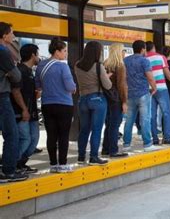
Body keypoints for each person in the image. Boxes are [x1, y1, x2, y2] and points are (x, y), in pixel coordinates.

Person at [35, 37, 76, 173]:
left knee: (51, 135)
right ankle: (62, 164)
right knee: (63, 135)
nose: (66, 53)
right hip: (64, 104)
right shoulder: (63, 66)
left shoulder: (41, 66)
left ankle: (53, 164)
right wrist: (74, 88)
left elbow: (38, 86)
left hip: (47, 104)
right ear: (57, 52)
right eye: (64, 51)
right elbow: (70, 86)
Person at [75, 41, 112, 165]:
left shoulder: (77, 65)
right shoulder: (98, 66)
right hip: (97, 99)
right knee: (96, 129)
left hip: (82, 99)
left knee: (84, 129)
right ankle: (93, 157)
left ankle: (81, 157)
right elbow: (107, 85)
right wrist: (107, 76)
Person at [0, 22, 27, 182]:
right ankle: (8, 171)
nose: (13, 36)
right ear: (4, 36)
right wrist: (9, 74)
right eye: (11, 33)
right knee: (12, 134)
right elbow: (16, 75)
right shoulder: (3, 52)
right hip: (2, 96)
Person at [123, 40, 159, 152]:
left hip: (129, 94)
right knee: (145, 119)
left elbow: (123, 78)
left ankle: (126, 144)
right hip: (143, 93)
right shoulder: (145, 61)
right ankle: (147, 144)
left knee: (129, 120)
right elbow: (150, 77)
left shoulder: (125, 61)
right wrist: (154, 87)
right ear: (143, 49)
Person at [11, 44, 41, 174]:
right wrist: (24, 109)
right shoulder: (20, 71)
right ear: (33, 55)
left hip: (32, 111)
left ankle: (21, 163)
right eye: (38, 54)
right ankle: (11, 164)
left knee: (34, 140)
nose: (39, 57)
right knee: (25, 139)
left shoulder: (29, 72)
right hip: (22, 112)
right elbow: (16, 91)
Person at [145, 41, 170, 145]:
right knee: (166, 112)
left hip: (150, 89)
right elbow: (168, 74)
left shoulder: (144, 59)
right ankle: (167, 138)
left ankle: (155, 139)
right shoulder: (161, 57)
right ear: (154, 47)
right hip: (161, 88)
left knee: (152, 115)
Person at [101, 43, 129, 158]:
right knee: (115, 125)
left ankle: (105, 149)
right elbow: (121, 85)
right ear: (119, 51)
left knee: (108, 124)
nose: (124, 53)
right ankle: (113, 150)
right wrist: (124, 101)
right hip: (116, 99)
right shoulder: (120, 65)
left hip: (105, 98)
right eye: (123, 50)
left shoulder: (105, 64)